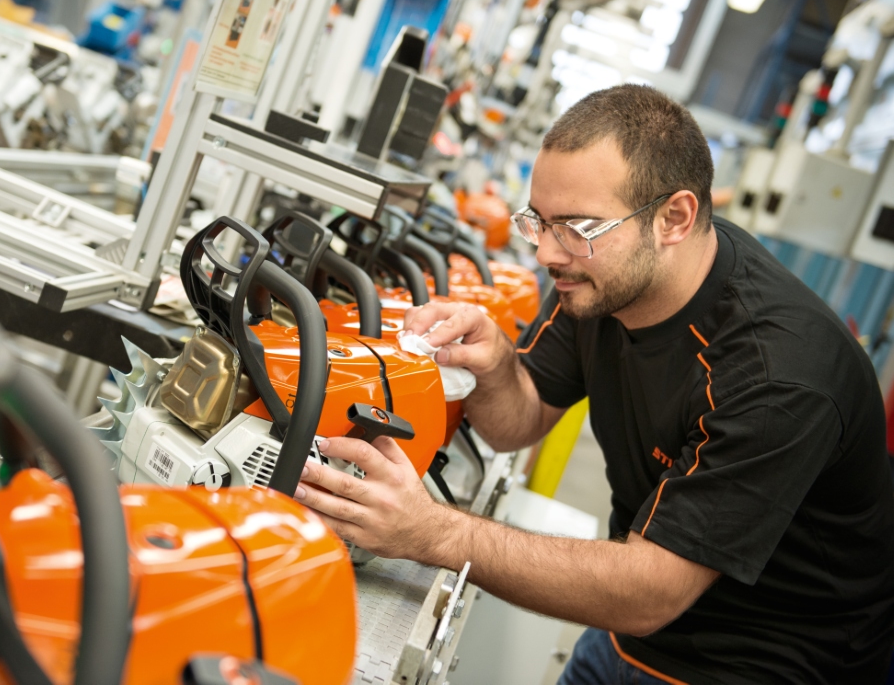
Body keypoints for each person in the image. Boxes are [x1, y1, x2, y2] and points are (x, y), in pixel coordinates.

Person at [293, 84, 894, 684]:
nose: (550, 253)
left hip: (767, 664)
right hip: (630, 638)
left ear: (674, 219)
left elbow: (650, 591)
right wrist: (498, 365)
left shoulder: (777, 375)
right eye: (539, 222)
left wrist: (434, 533)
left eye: (577, 226)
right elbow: (519, 422)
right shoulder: (604, 280)